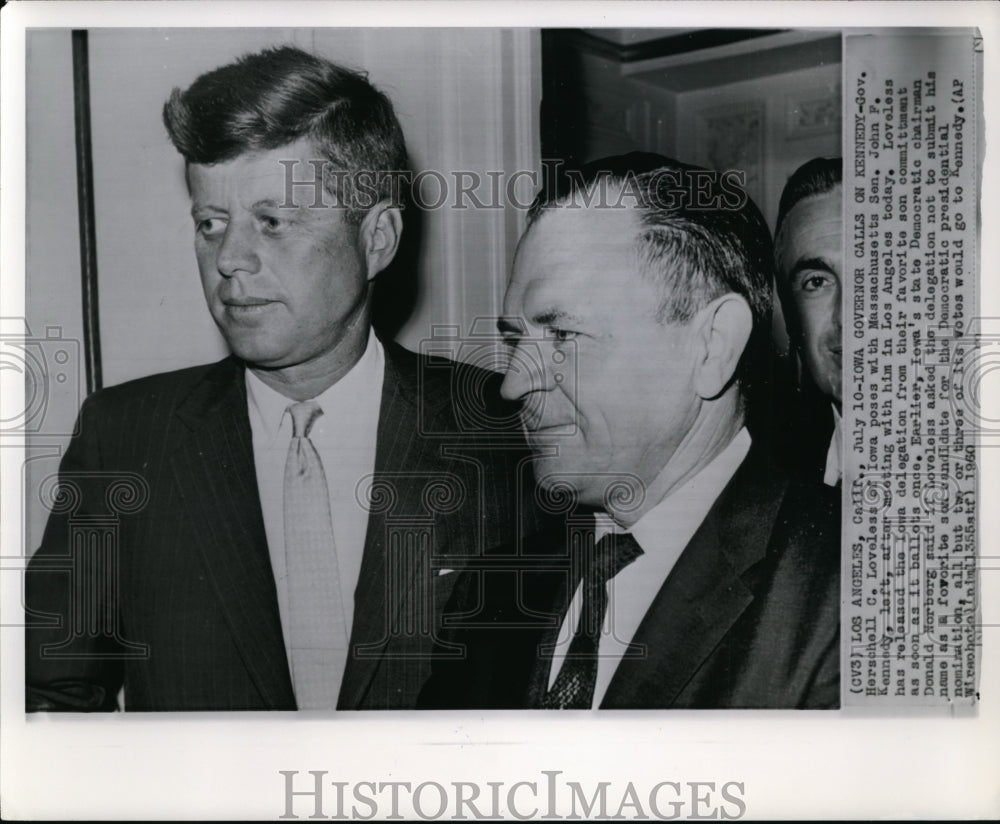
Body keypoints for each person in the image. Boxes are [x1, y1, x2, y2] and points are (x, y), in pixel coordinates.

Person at [25, 46, 537, 711]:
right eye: (211, 225)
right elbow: (48, 695)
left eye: (273, 222)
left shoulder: (500, 427)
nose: (230, 260)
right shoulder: (124, 438)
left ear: (377, 238)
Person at [420, 153, 840, 710]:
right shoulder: (492, 590)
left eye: (563, 335)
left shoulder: (854, 584)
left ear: (712, 345)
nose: (512, 386)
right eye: (516, 341)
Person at [773, 158, 843, 486]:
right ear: (790, 316)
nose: (847, 317)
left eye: (877, 274)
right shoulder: (771, 478)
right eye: (817, 282)